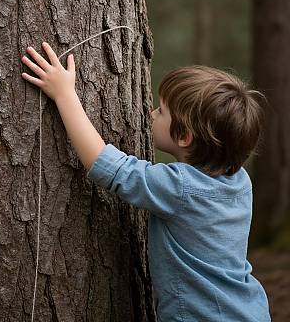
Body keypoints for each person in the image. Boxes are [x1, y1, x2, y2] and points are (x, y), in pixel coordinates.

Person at [20, 42, 271, 321]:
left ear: (184, 137)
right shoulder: (239, 181)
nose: (151, 114)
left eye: (161, 112)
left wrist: (65, 94)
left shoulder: (179, 187)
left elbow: (106, 165)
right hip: (249, 310)